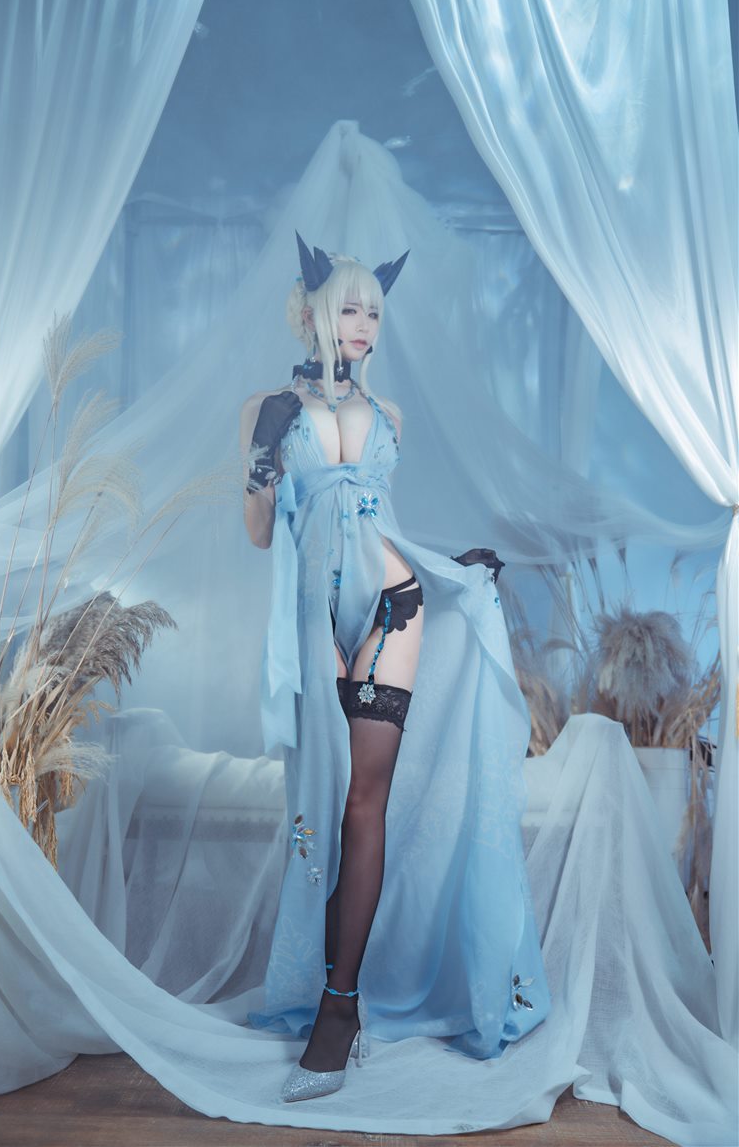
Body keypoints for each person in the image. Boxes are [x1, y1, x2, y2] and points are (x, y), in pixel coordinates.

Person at [240, 233, 550, 1103]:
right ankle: (321, 986)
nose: (364, 323)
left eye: (374, 311)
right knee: (321, 803)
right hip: (314, 616)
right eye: (349, 306)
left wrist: (455, 568)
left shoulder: (392, 417)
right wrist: (263, 461)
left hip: (393, 603)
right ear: (312, 310)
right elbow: (261, 533)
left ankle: (339, 1011)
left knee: (364, 802)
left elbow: (379, 522)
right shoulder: (269, 407)